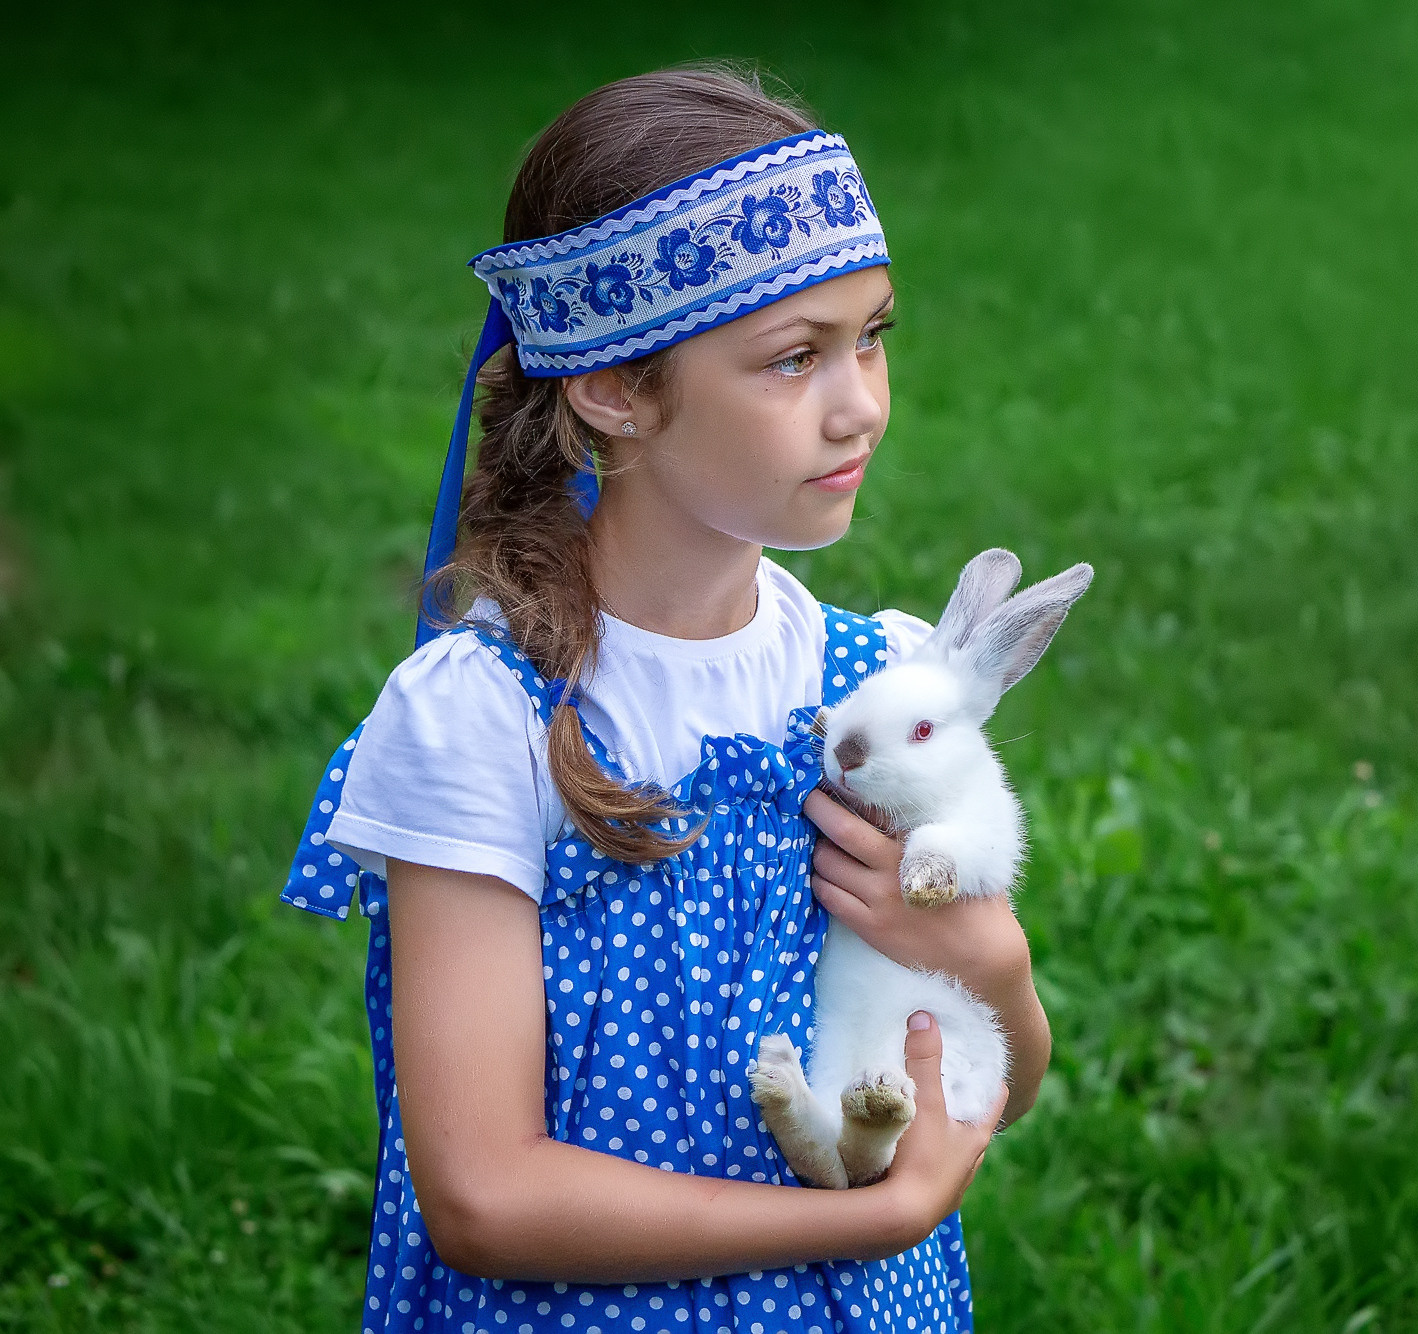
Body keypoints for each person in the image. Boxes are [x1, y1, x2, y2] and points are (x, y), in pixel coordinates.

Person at [279, 65, 1051, 1334]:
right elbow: (482, 1192)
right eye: (792, 357)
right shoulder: (484, 717)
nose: (859, 401)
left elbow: (992, 1074)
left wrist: (995, 966)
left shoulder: (874, 686)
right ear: (612, 389)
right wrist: (865, 1215)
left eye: (871, 335)